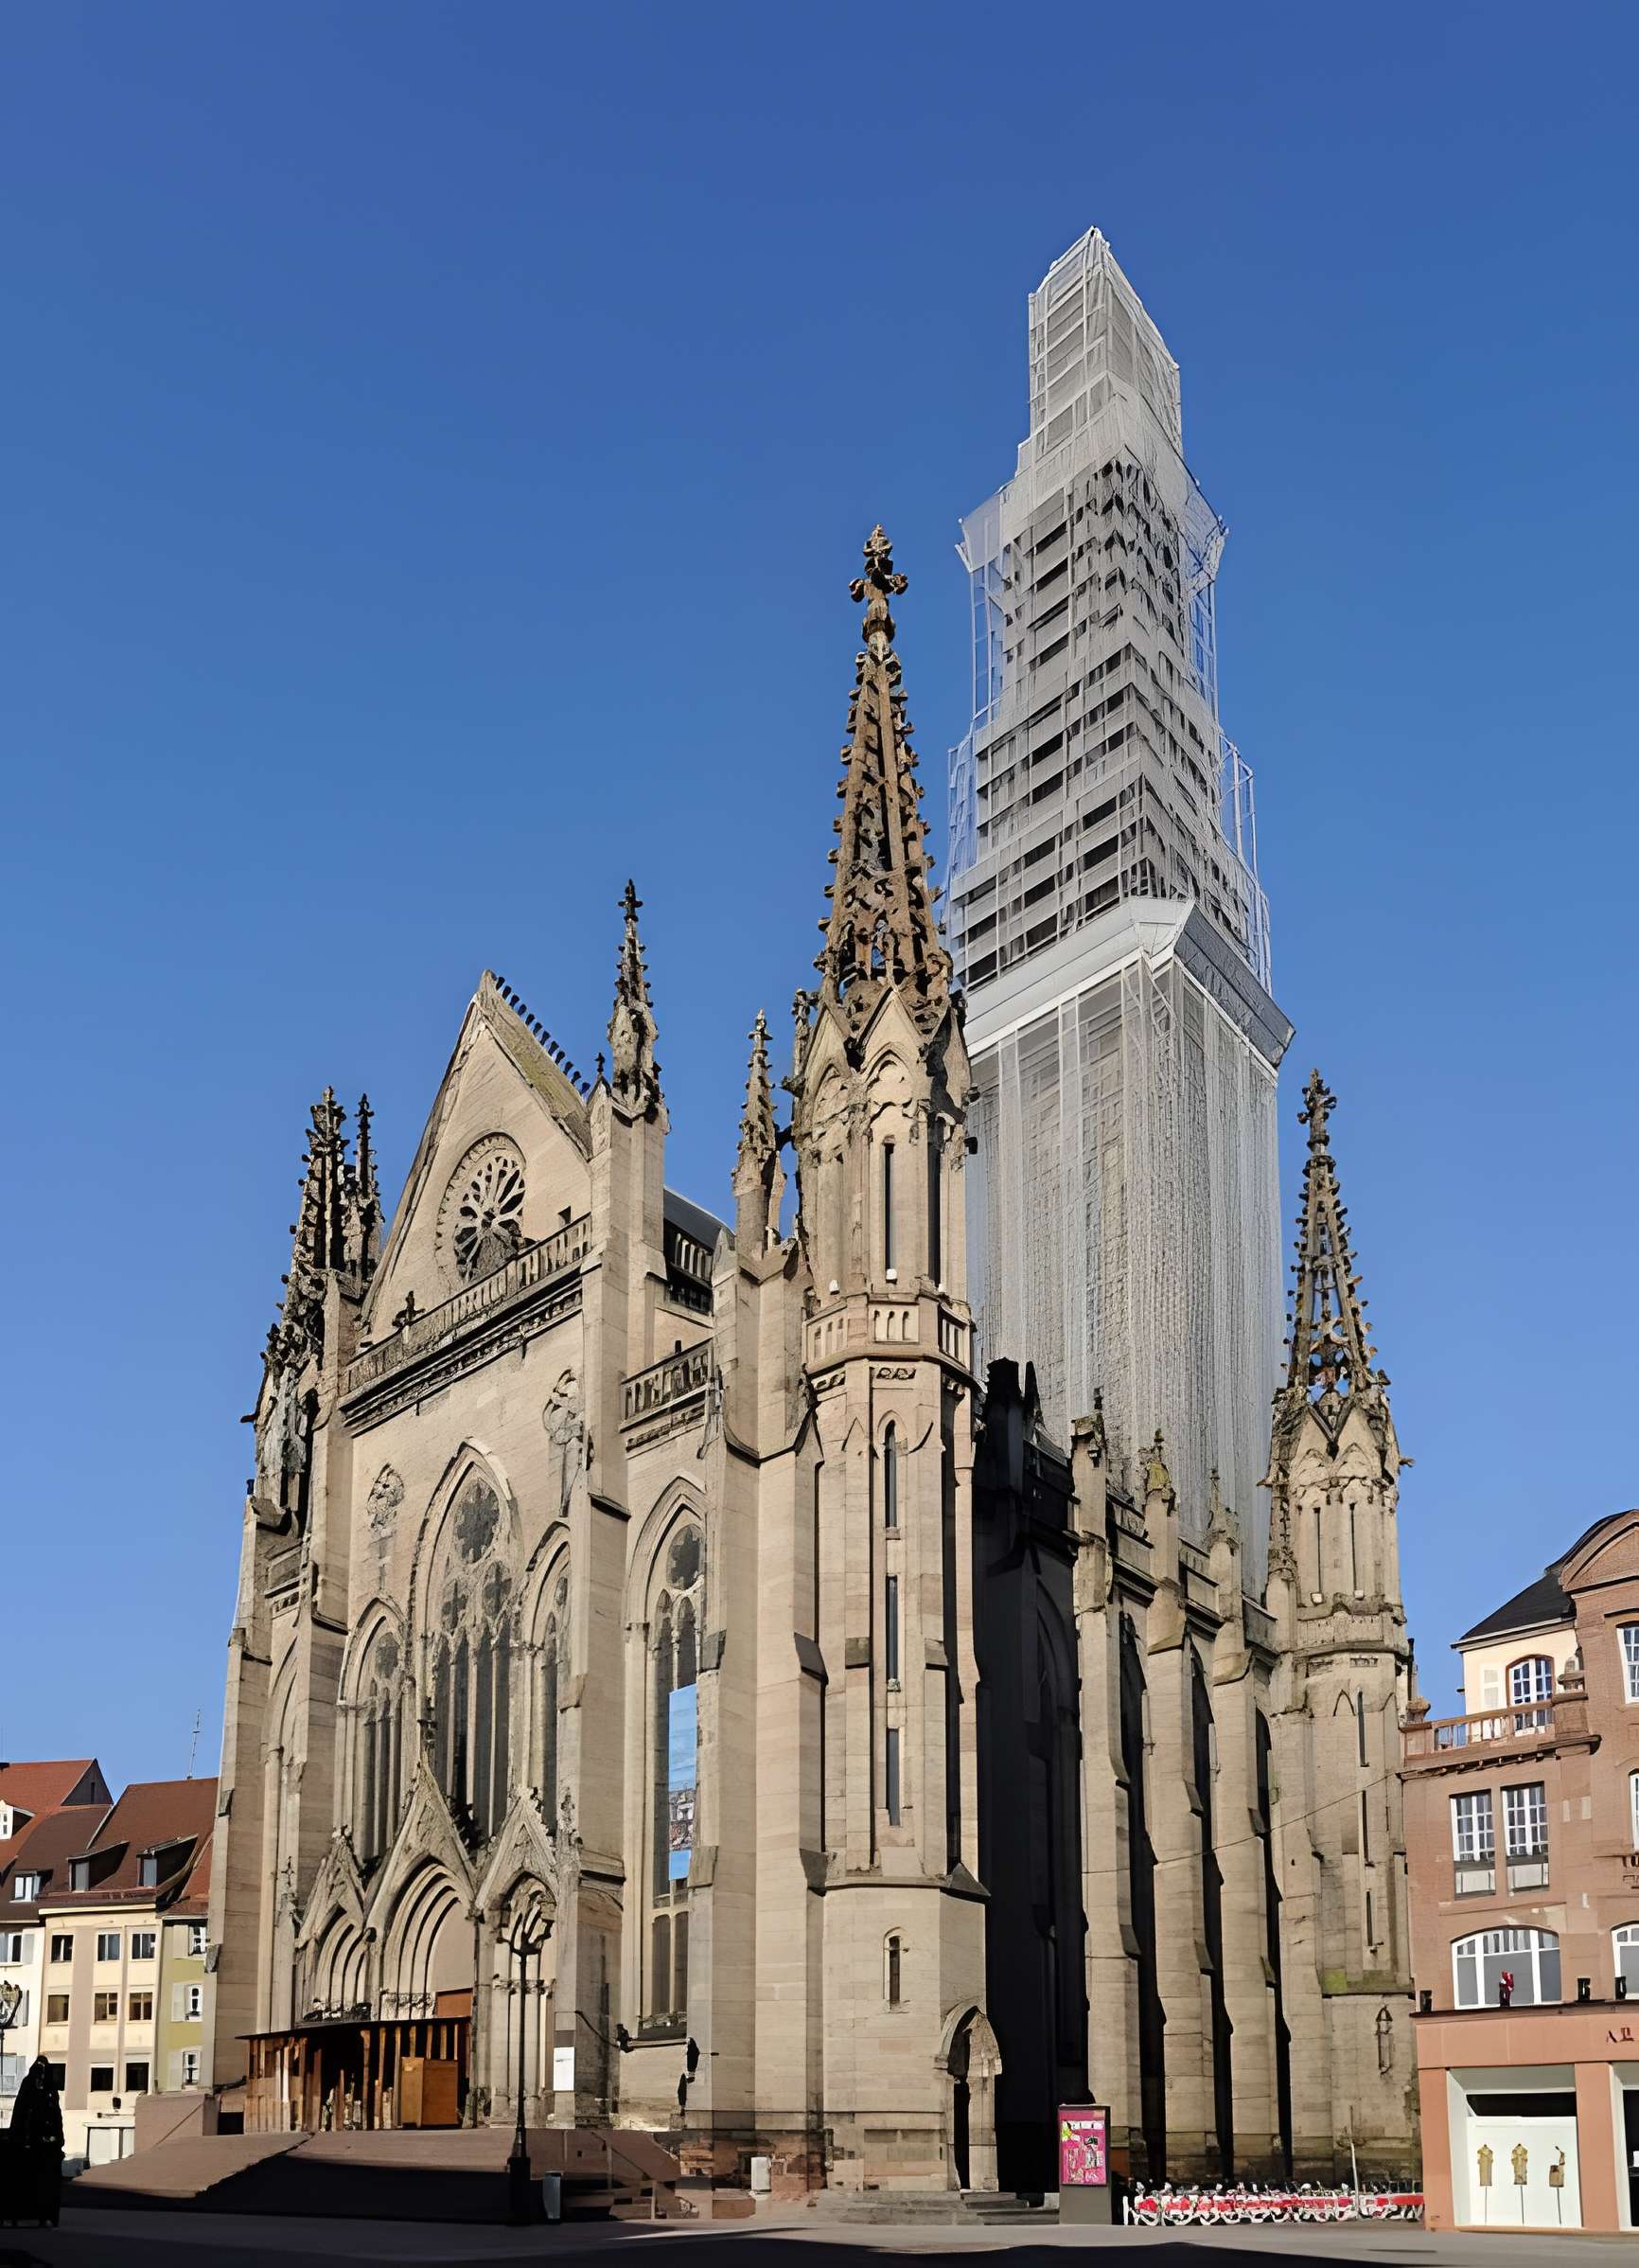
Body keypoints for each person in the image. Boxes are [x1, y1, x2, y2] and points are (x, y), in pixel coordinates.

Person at [6, 2056, 64, 2226]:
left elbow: (55, 2115)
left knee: (45, 2183)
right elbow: (22, 2112)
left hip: (44, 2146)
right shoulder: (29, 2085)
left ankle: (44, 2214)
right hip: (29, 2142)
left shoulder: (49, 2089)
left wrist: (57, 2138)